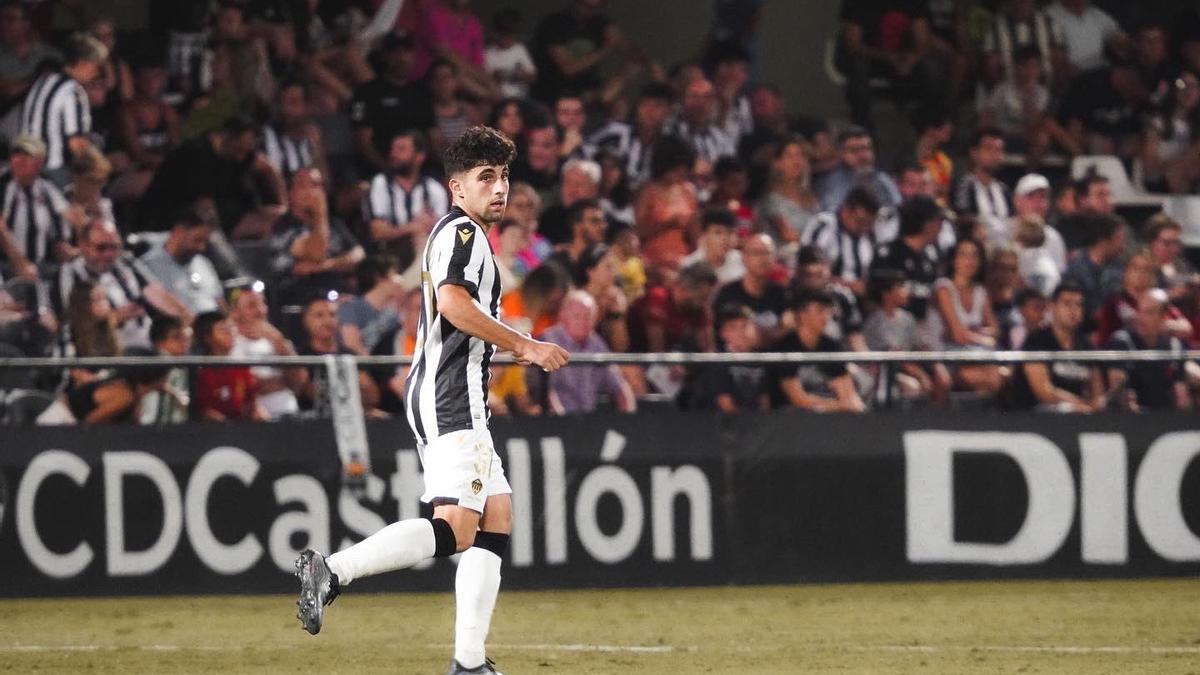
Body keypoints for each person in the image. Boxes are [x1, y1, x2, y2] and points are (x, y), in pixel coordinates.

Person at [294, 126, 569, 675]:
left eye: (504, 177)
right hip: (450, 395)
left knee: (496, 516)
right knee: (456, 528)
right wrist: (524, 344)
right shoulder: (464, 234)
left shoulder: (458, 233)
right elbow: (451, 304)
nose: (499, 188)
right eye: (485, 177)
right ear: (456, 188)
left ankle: (469, 663)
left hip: (450, 390)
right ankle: (333, 571)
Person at [54, 219, 191, 349]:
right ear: (83, 245)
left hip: (145, 346)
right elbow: (72, 327)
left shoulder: (125, 264)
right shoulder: (69, 274)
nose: (108, 254)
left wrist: (190, 321)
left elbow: (158, 294)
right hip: (104, 352)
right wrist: (116, 318)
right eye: (101, 248)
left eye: (114, 247)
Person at [17, 32, 106, 182]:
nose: (97, 73)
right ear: (83, 63)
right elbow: (76, 144)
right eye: (95, 67)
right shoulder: (73, 91)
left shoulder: (42, 81)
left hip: (25, 167)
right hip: (53, 171)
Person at [1007, 282, 1106, 412]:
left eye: (1078, 305)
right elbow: (1044, 392)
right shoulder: (1037, 340)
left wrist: (1097, 404)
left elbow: (1097, 390)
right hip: (1037, 416)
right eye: (1067, 303)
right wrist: (1081, 405)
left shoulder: (1086, 346)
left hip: (1081, 416)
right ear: (1052, 307)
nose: (1073, 310)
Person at [927, 238, 1006, 396]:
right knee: (992, 379)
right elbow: (957, 335)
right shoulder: (943, 288)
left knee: (1002, 375)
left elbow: (996, 331)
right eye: (963, 255)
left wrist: (971, 332)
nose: (969, 261)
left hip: (977, 354)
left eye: (974, 256)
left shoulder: (980, 291)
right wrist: (982, 336)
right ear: (954, 259)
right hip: (944, 355)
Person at [771, 288, 865, 413]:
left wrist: (853, 405)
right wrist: (839, 406)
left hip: (830, 415)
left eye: (827, 311)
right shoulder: (786, 347)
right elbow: (798, 399)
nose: (826, 317)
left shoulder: (831, 346)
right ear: (802, 314)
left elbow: (847, 391)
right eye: (820, 311)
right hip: (791, 418)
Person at [541, 290, 635, 415]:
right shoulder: (547, 341)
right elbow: (546, 392)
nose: (583, 322)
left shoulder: (596, 344)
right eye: (577, 316)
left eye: (588, 317)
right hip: (555, 422)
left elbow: (618, 386)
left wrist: (629, 421)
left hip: (588, 420)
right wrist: (563, 423)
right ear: (563, 316)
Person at [364, 129, 448, 266]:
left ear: (419, 156)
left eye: (401, 149)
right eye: (393, 149)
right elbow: (377, 232)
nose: (393, 154)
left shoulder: (433, 189)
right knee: (419, 237)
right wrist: (412, 227)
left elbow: (442, 231)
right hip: (388, 254)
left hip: (426, 247)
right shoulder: (381, 183)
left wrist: (423, 228)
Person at [1106, 288, 1191, 411]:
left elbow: (1181, 396)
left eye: (1149, 312)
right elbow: (1118, 393)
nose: (1141, 317)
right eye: (1140, 310)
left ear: (1164, 317)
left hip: (1167, 417)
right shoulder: (1122, 342)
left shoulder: (1175, 347)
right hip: (1132, 420)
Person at [0, 135, 70, 277]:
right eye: (17, 154)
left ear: (40, 162)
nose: (20, 160)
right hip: (6, 265)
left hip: (42, 265)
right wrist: (20, 263)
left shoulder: (48, 187)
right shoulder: (4, 185)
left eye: (27, 156)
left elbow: (67, 218)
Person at [229, 283, 301, 421]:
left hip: (286, 410)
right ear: (235, 311)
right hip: (247, 417)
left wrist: (279, 342)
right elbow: (238, 386)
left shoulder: (277, 339)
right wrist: (275, 383)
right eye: (252, 305)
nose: (260, 310)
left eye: (263, 304)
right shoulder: (230, 341)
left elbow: (297, 384)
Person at [139, 203, 223, 315]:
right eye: (197, 240)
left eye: (205, 242)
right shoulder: (149, 266)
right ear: (179, 232)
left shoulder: (203, 263)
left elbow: (220, 301)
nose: (201, 247)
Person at [691, 303, 770, 413]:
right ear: (723, 333)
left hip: (757, 424)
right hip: (723, 425)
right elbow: (726, 405)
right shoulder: (717, 362)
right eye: (733, 327)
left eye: (745, 326)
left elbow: (764, 400)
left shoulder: (758, 359)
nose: (741, 333)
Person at [801, 186, 879, 297]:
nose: (864, 228)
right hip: (822, 295)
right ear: (845, 211)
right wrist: (847, 285)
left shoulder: (867, 239)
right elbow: (809, 271)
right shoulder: (824, 225)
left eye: (869, 224)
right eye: (860, 221)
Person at [713, 233, 789, 346]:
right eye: (756, 253)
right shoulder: (727, 293)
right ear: (744, 258)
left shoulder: (782, 294)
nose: (763, 259)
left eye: (767, 253)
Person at [193, 310, 265, 422]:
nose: (230, 333)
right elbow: (204, 411)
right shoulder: (201, 371)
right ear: (207, 337)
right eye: (223, 329)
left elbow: (252, 404)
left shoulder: (242, 367)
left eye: (231, 328)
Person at [814, 127, 900, 212]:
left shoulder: (881, 177)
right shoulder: (830, 182)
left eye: (867, 148)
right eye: (854, 150)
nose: (863, 156)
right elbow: (831, 213)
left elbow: (898, 206)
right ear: (841, 153)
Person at [1062, 213, 1127, 319]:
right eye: (1118, 239)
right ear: (1103, 241)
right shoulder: (1077, 269)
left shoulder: (1119, 269)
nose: (1123, 246)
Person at [683, 207, 745, 285]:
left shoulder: (743, 261)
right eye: (718, 232)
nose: (725, 239)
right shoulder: (689, 265)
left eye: (730, 232)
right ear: (704, 235)